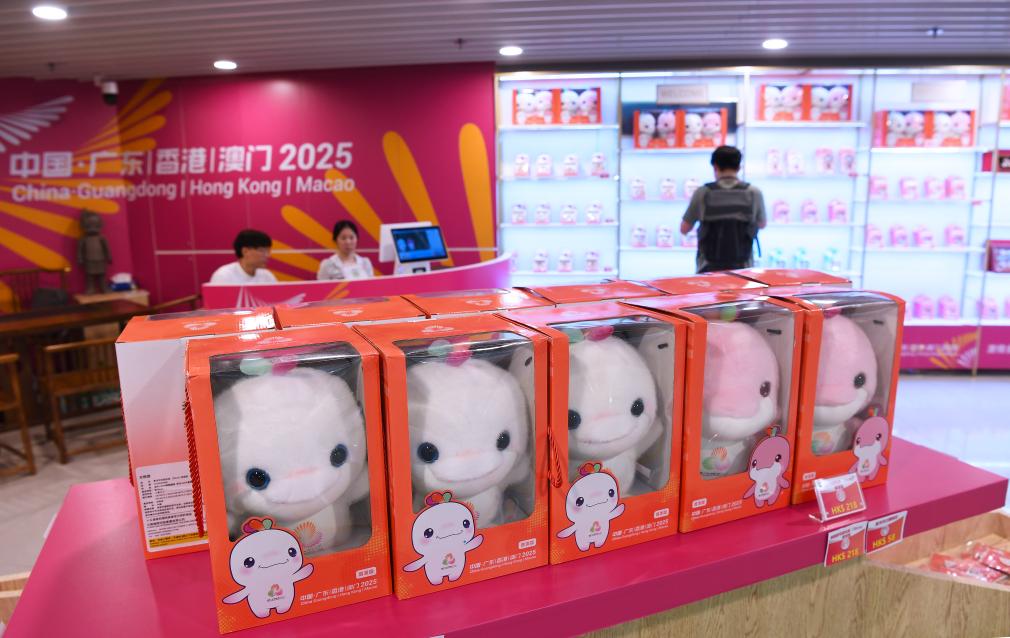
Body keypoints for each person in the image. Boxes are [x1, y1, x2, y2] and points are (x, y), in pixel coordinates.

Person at [680, 145, 767, 273]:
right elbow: (762, 224)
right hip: (743, 268)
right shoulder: (754, 192)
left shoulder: (703, 193)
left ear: (715, 167)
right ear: (739, 167)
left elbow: (684, 229)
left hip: (708, 268)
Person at [209, 229, 277, 284]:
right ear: (245, 251)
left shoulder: (267, 276)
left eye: (268, 251)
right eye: (262, 251)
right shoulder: (223, 276)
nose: (268, 255)